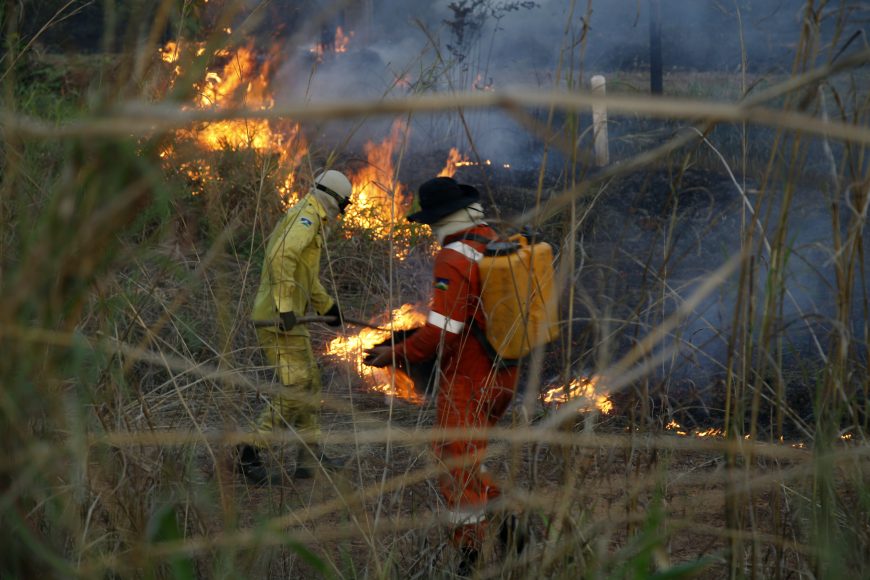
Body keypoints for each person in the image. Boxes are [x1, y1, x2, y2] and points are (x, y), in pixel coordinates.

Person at [364, 177, 522, 572]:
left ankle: (470, 558)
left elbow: (442, 332)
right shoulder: (492, 241)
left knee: (455, 467)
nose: (431, 231)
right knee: (472, 460)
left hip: (470, 378)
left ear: (441, 219)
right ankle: (513, 536)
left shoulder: (453, 257)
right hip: (504, 373)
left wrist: (395, 355)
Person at [238, 169, 352, 484]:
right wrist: (286, 305)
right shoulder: (307, 218)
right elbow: (281, 256)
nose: (342, 212)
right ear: (335, 199)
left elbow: (306, 275)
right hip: (276, 319)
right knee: (296, 386)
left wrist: (326, 306)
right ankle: (250, 451)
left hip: (287, 318)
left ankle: (309, 457)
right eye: (344, 205)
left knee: (310, 383)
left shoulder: (310, 219)